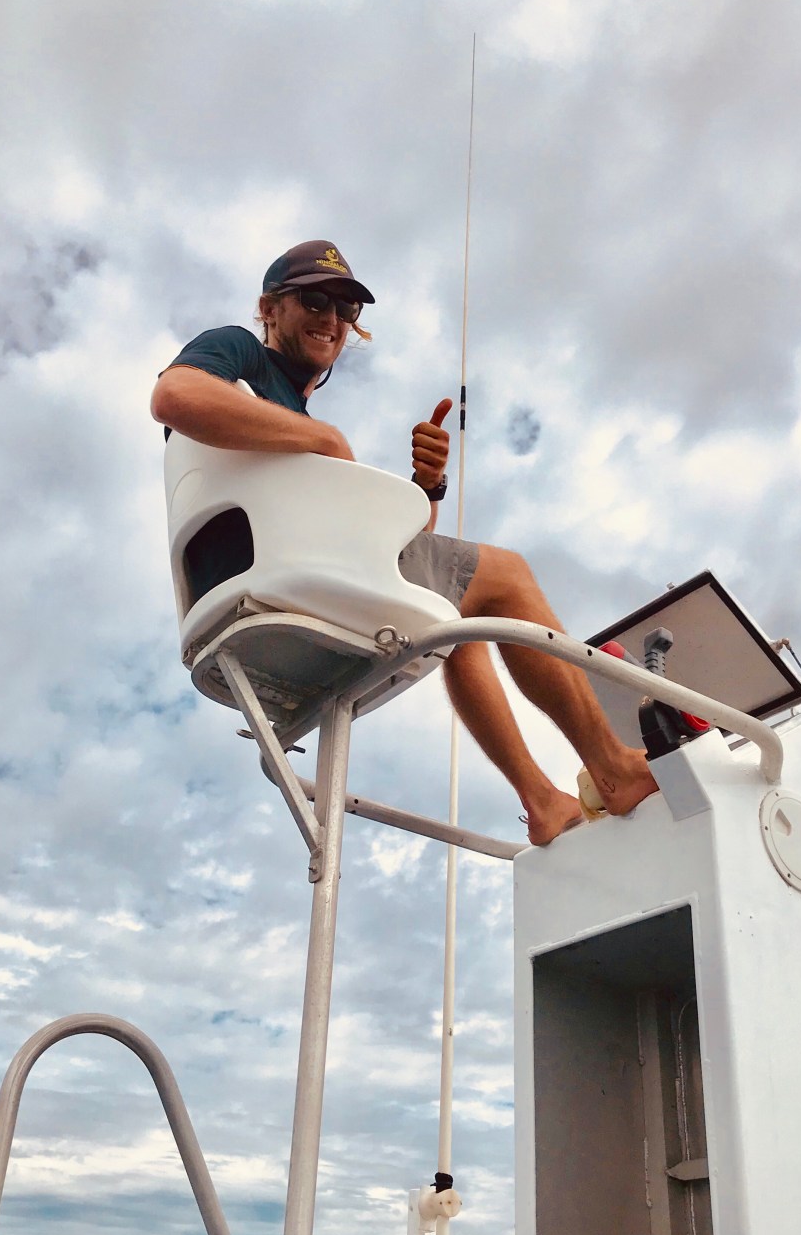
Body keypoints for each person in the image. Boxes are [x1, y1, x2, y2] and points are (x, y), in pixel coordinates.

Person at [151, 239, 657, 844]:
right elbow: (173, 396)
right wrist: (325, 441)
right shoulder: (242, 356)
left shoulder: (277, 424)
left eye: (346, 309)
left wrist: (428, 484)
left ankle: (542, 800)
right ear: (269, 308)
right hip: (282, 584)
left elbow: (398, 557)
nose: (331, 319)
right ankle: (613, 766)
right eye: (313, 300)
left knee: (456, 611)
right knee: (509, 575)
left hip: (272, 586)